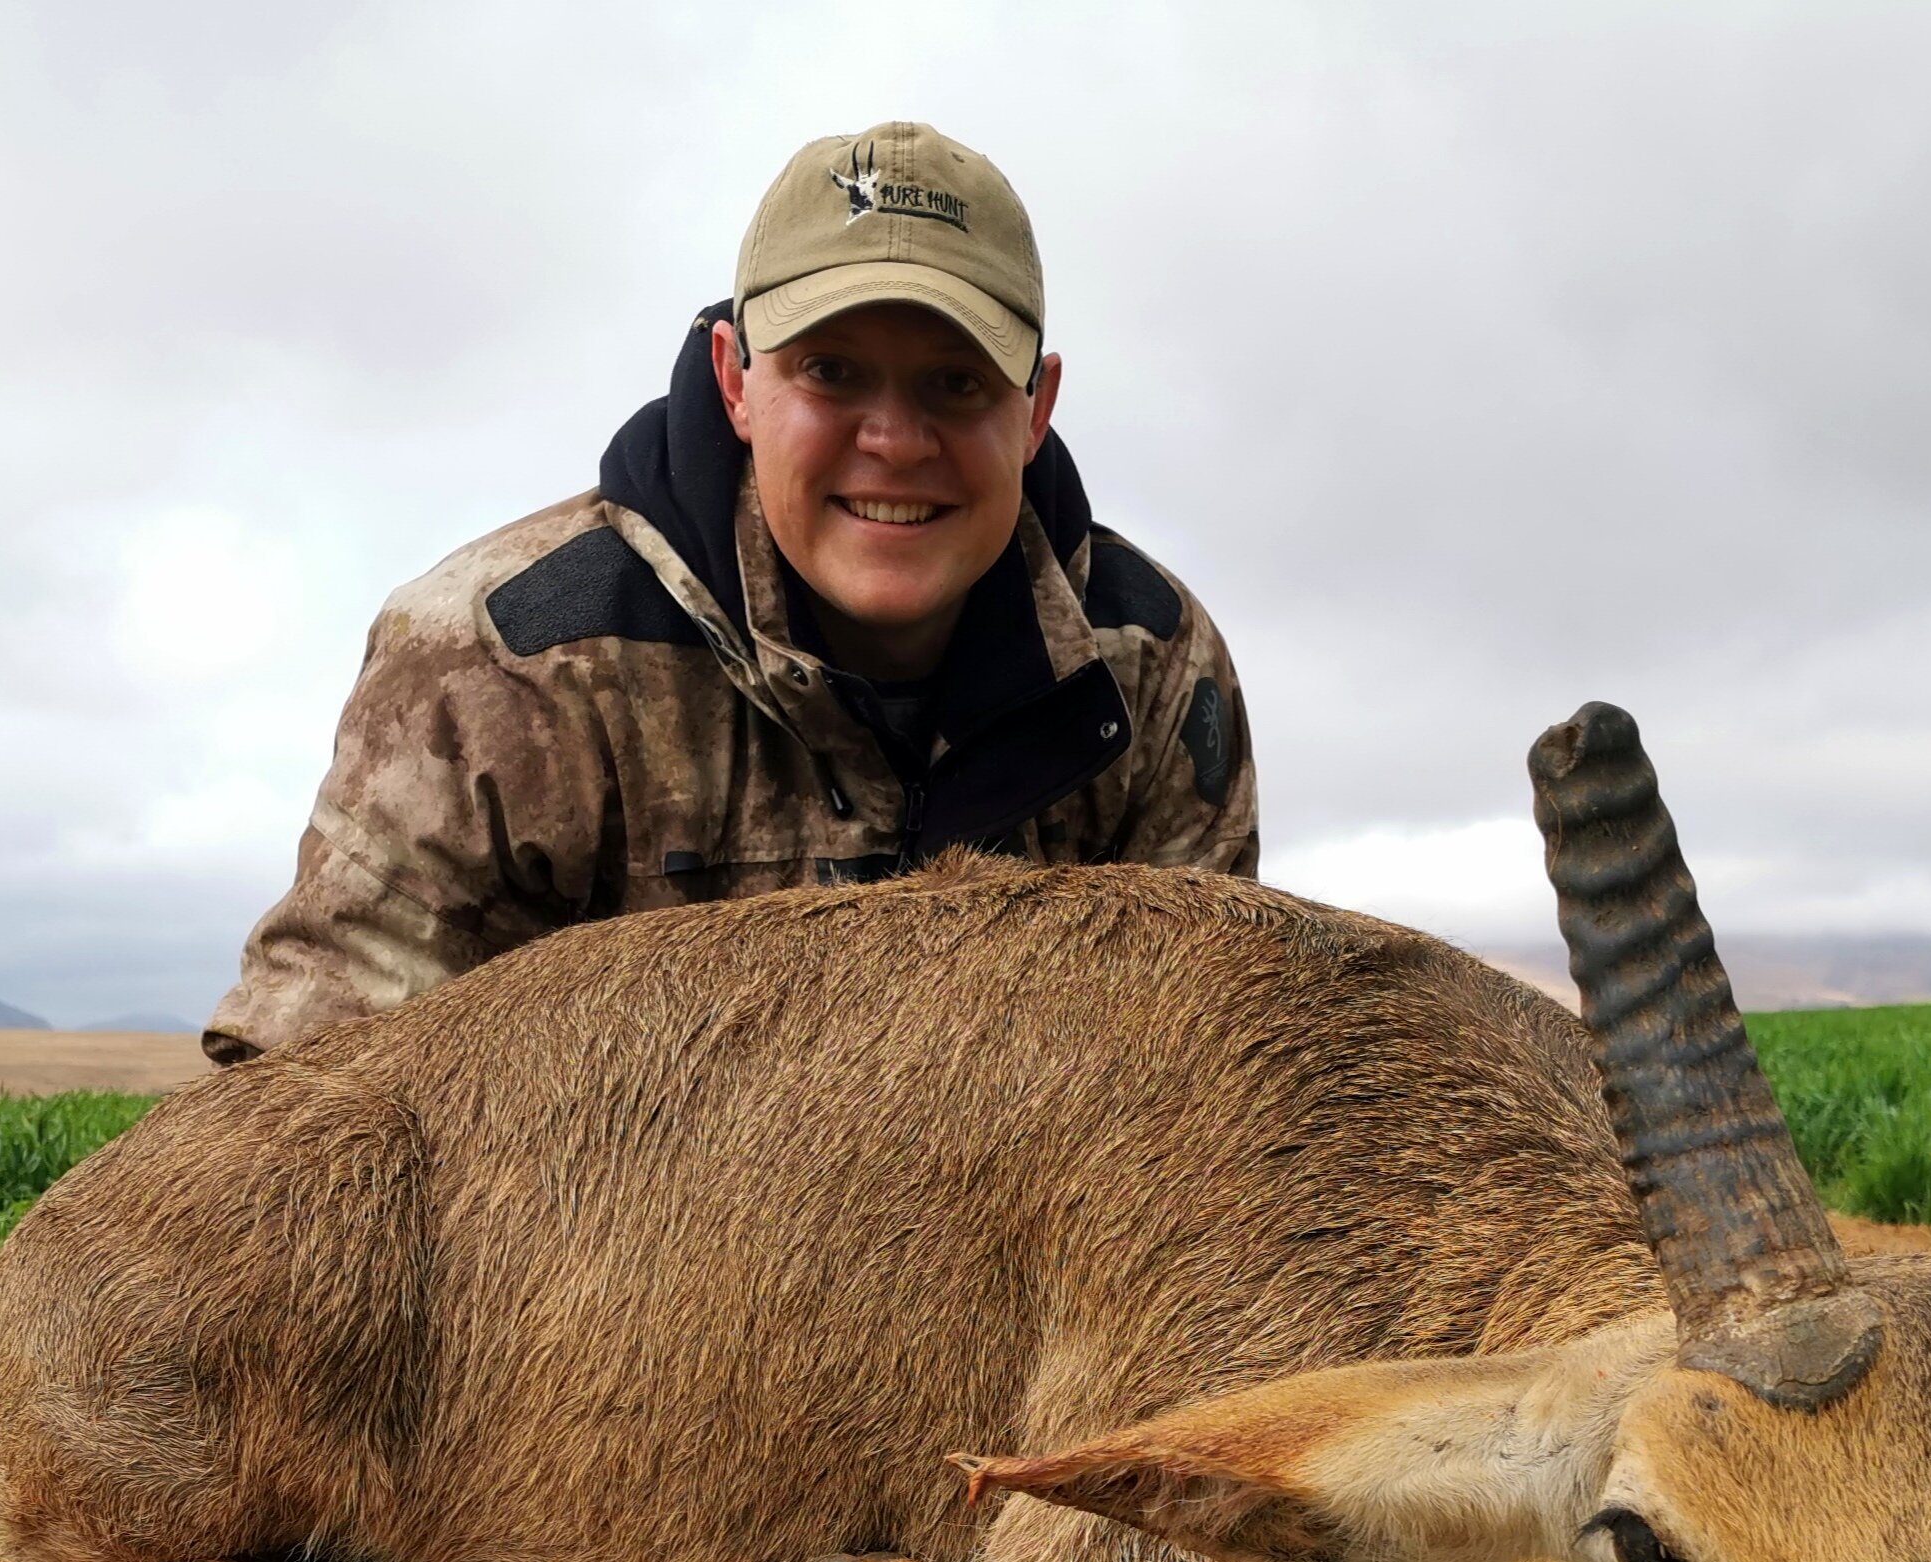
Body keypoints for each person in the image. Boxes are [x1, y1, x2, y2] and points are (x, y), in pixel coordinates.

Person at [203, 120, 1257, 1063]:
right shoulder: (504, 660)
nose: (892, 442)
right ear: (735, 380)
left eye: (956, 380)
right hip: (585, 1264)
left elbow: (1204, 1089)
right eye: (831, 372)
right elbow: (304, 1117)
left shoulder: (1148, 671)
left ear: (1035, 409)